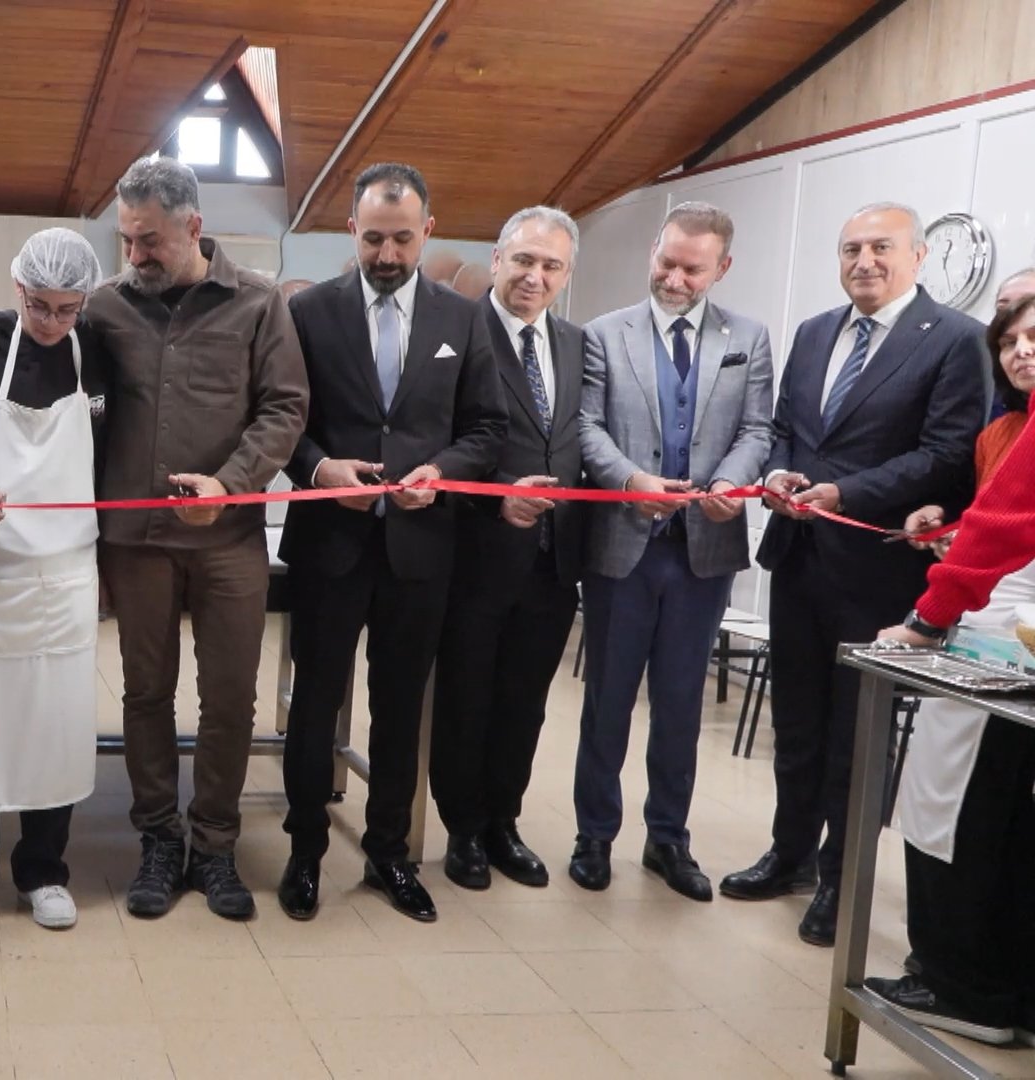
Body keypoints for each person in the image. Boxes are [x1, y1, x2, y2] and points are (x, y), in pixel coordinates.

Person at [0, 158, 307, 921]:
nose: (134, 256)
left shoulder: (259, 304)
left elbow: (284, 407)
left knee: (230, 698)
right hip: (136, 542)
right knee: (144, 695)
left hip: (227, 540)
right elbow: (37, 336)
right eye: (127, 240)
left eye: (149, 241)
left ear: (193, 228)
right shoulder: (104, 307)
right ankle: (158, 840)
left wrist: (231, 483)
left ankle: (213, 845)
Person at [724, 202, 987, 946]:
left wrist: (847, 493)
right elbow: (786, 428)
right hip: (799, 558)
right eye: (850, 249)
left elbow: (946, 452)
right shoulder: (814, 333)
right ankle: (790, 854)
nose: (864, 261)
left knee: (856, 734)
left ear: (918, 255)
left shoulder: (957, 341)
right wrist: (779, 470)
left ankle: (842, 878)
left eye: (881, 247)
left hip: (878, 571)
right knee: (797, 722)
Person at [276, 162, 506, 922]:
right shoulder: (309, 312)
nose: (387, 254)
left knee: (402, 706)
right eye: (373, 238)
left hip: (420, 548)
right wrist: (317, 468)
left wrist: (441, 471)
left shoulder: (463, 319)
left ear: (428, 232)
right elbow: (284, 421)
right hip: (329, 547)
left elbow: (487, 429)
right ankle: (305, 848)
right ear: (351, 231)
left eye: (402, 239)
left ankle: (388, 853)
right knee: (314, 704)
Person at [568, 202, 775, 901]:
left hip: (702, 552)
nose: (675, 278)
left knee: (681, 703)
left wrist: (729, 481)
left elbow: (757, 429)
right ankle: (593, 835)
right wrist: (629, 480)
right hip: (623, 547)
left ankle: (668, 840)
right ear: (653, 251)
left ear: (722, 267)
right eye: (666, 261)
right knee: (607, 700)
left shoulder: (748, 338)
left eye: (692, 267)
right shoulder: (603, 335)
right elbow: (586, 426)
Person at [0, 227, 111, 934]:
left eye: (68, 310)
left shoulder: (96, 352)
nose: (53, 323)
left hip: (65, 576)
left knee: (54, 727)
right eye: (41, 307)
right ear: (17, 289)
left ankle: (43, 870)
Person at [866, 289, 1035, 1046]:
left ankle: (965, 986)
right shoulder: (1005, 428)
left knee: (953, 803)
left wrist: (927, 619)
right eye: (1011, 339)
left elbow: (1007, 529)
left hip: (1000, 639)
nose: (1023, 350)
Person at [427, 206, 587, 893]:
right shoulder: (455, 333)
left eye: (550, 265)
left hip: (554, 560)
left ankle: (503, 822)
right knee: (467, 696)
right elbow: (437, 441)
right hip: (475, 552)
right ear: (496, 260)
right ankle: (461, 828)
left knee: (525, 700)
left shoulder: (579, 344)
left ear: (566, 274)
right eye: (523, 260)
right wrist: (498, 495)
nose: (534, 275)